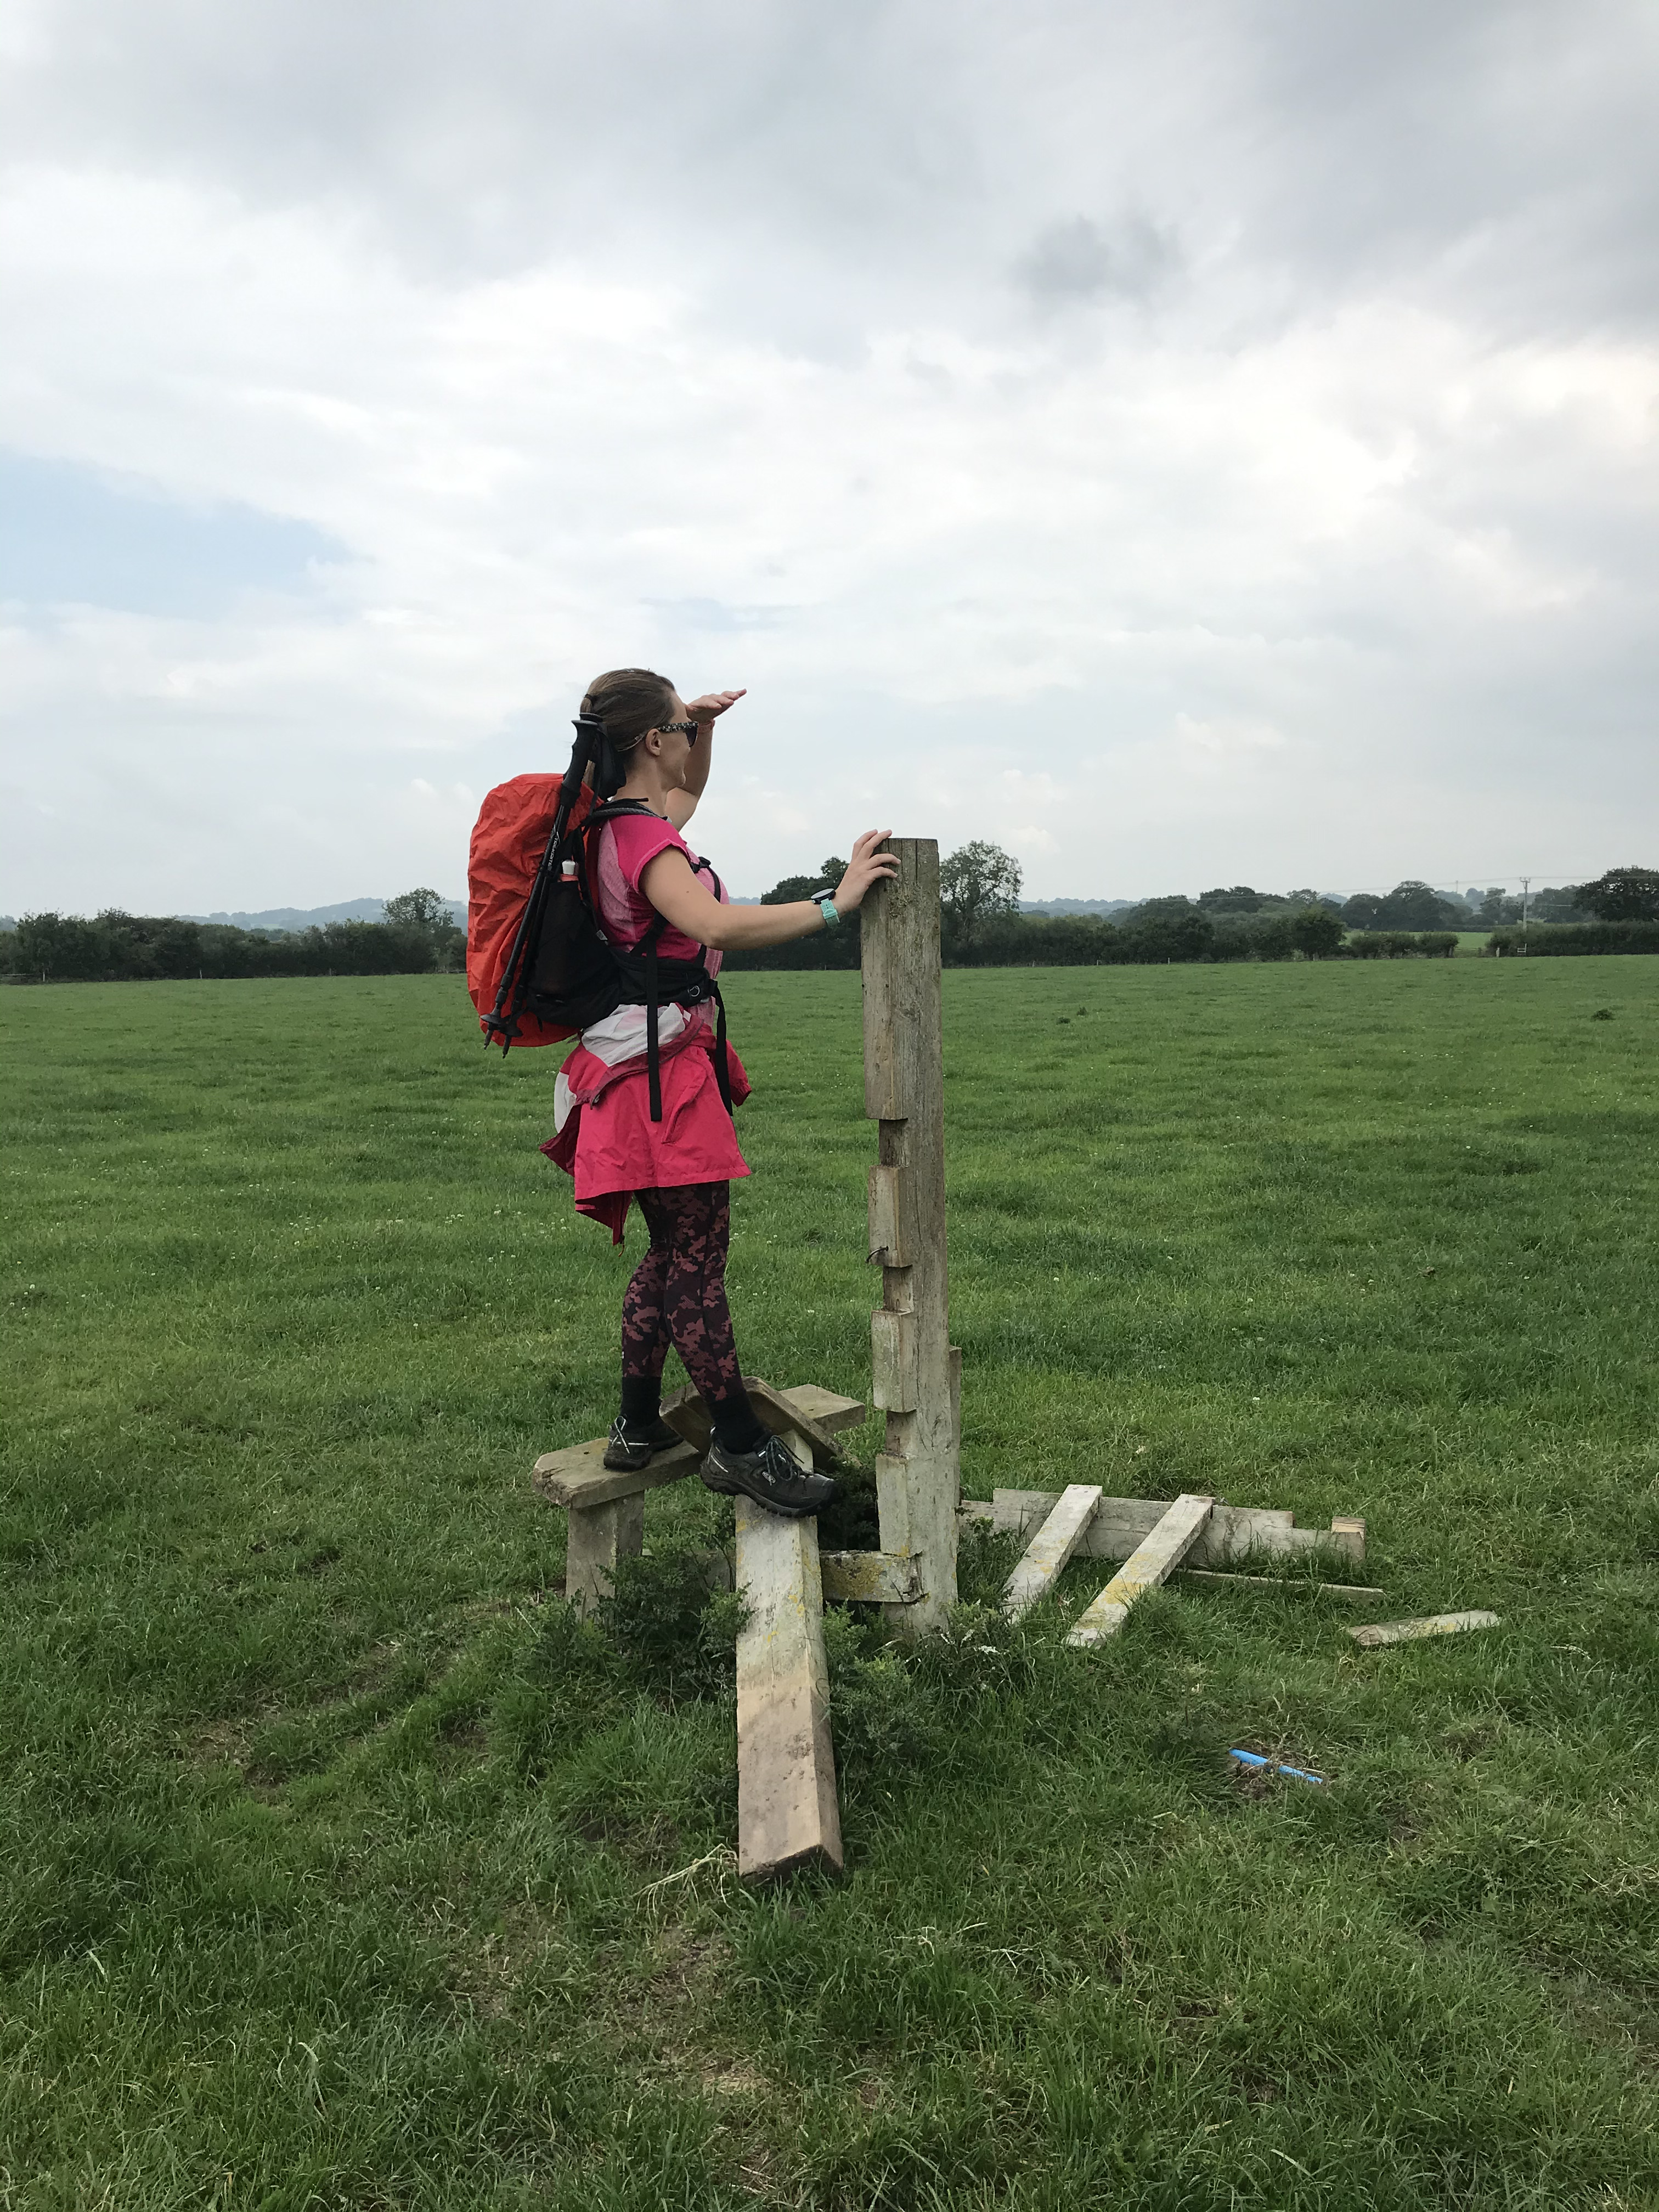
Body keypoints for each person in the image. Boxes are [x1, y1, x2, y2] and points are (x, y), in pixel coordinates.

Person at [541, 667, 899, 1520]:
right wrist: (834, 904)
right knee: (697, 1260)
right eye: (678, 728)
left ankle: (636, 1425)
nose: (688, 742)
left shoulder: (621, 824)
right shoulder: (640, 841)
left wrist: (705, 728)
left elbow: (687, 791)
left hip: (642, 1066)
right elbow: (713, 925)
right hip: (654, 1079)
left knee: (671, 1254)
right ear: (649, 742)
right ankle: (739, 1445)